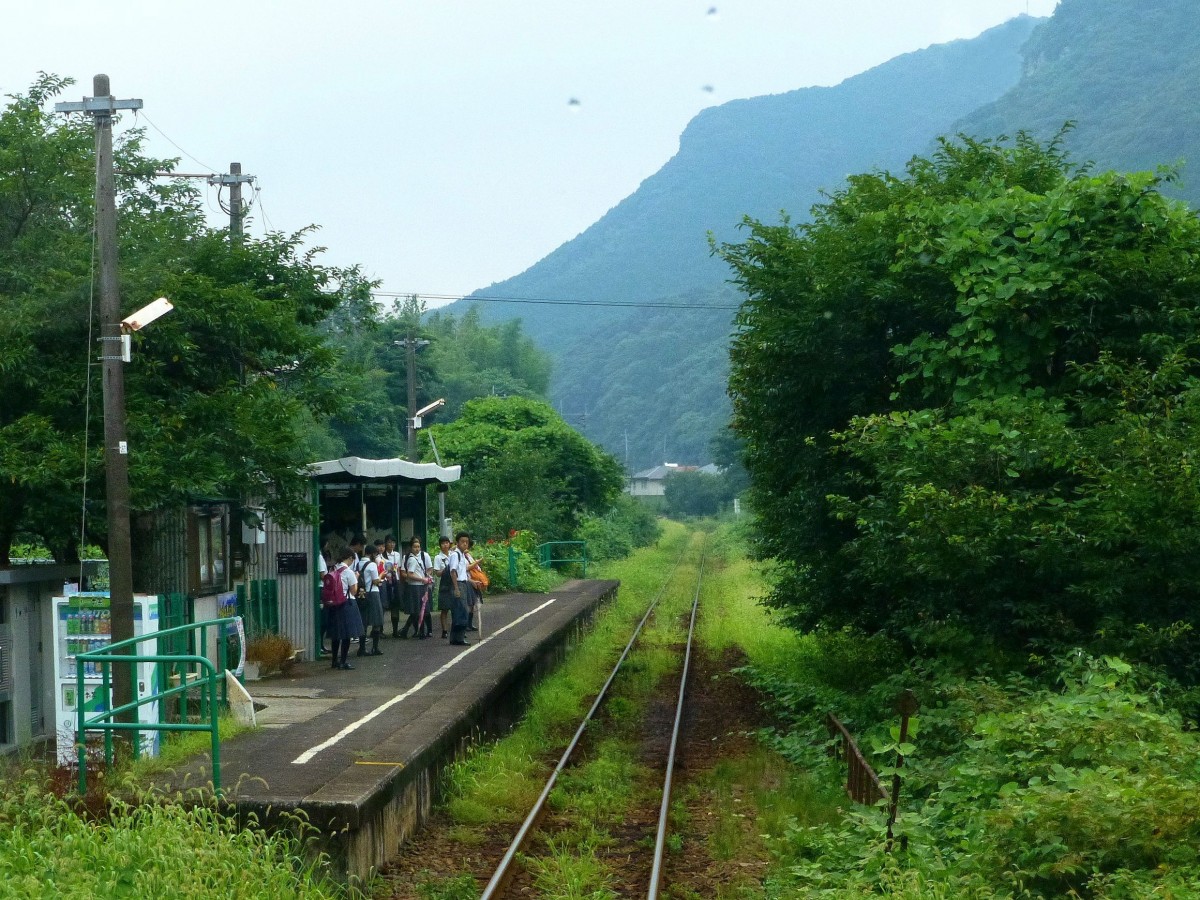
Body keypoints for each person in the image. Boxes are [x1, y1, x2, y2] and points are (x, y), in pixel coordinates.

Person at [328, 548, 365, 670]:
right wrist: (356, 577)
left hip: (334, 604)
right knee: (347, 634)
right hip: (347, 603)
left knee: (336, 634)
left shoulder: (333, 569)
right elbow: (354, 591)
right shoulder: (349, 572)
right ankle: (343, 661)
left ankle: (334, 661)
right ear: (350, 558)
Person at [402, 537, 435, 639]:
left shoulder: (424, 556)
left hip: (422, 585)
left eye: (418, 546)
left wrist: (425, 577)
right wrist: (421, 579)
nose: (417, 549)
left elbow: (430, 568)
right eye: (415, 547)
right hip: (414, 586)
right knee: (417, 610)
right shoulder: (409, 558)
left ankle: (425, 631)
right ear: (411, 547)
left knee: (424, 609)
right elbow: (407, 573)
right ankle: (419, 631)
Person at [357, 543, 385, 657]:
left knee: (364, 621)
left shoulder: (359, 563)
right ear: (373, 554)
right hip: (373, 594)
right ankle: (375, 648)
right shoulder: (372, 564)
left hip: (362, 594)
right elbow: (375, 581)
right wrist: (382, 576)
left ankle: (362, 648)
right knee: (377, 621)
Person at [447, 531, 475, 646]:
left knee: (459, 611)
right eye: (462, 542)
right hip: (458, 584)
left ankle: (455, 638)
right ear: (457, 543)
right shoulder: (455, 555)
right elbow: (453, 572)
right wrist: (456, 588)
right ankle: (459, 638)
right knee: (462, 611)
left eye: (466, 542)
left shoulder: (462, 555)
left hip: (463, 583)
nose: (465, 544)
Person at [382, 535, 404, 637]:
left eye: (393, 542)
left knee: (395, 606)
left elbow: (398, 568)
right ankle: (380, 630)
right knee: (384, 605)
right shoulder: (382, 556)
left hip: (396, 581)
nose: (392, 544)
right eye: (390, 542)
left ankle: (395, 630)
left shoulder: (397, 554)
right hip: (386, 581)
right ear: (386, 543)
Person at [433, 536, 453, 639]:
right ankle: (444, 630)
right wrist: (446, 569)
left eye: (447, 543)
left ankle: (455, 629)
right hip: (444, 585)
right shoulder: (438, 558)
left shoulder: (452, 555)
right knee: (444, 609)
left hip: (453, 583)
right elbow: (437, 573)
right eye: (443, 543)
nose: (445, 545)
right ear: (440, 545)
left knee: (454, 608)